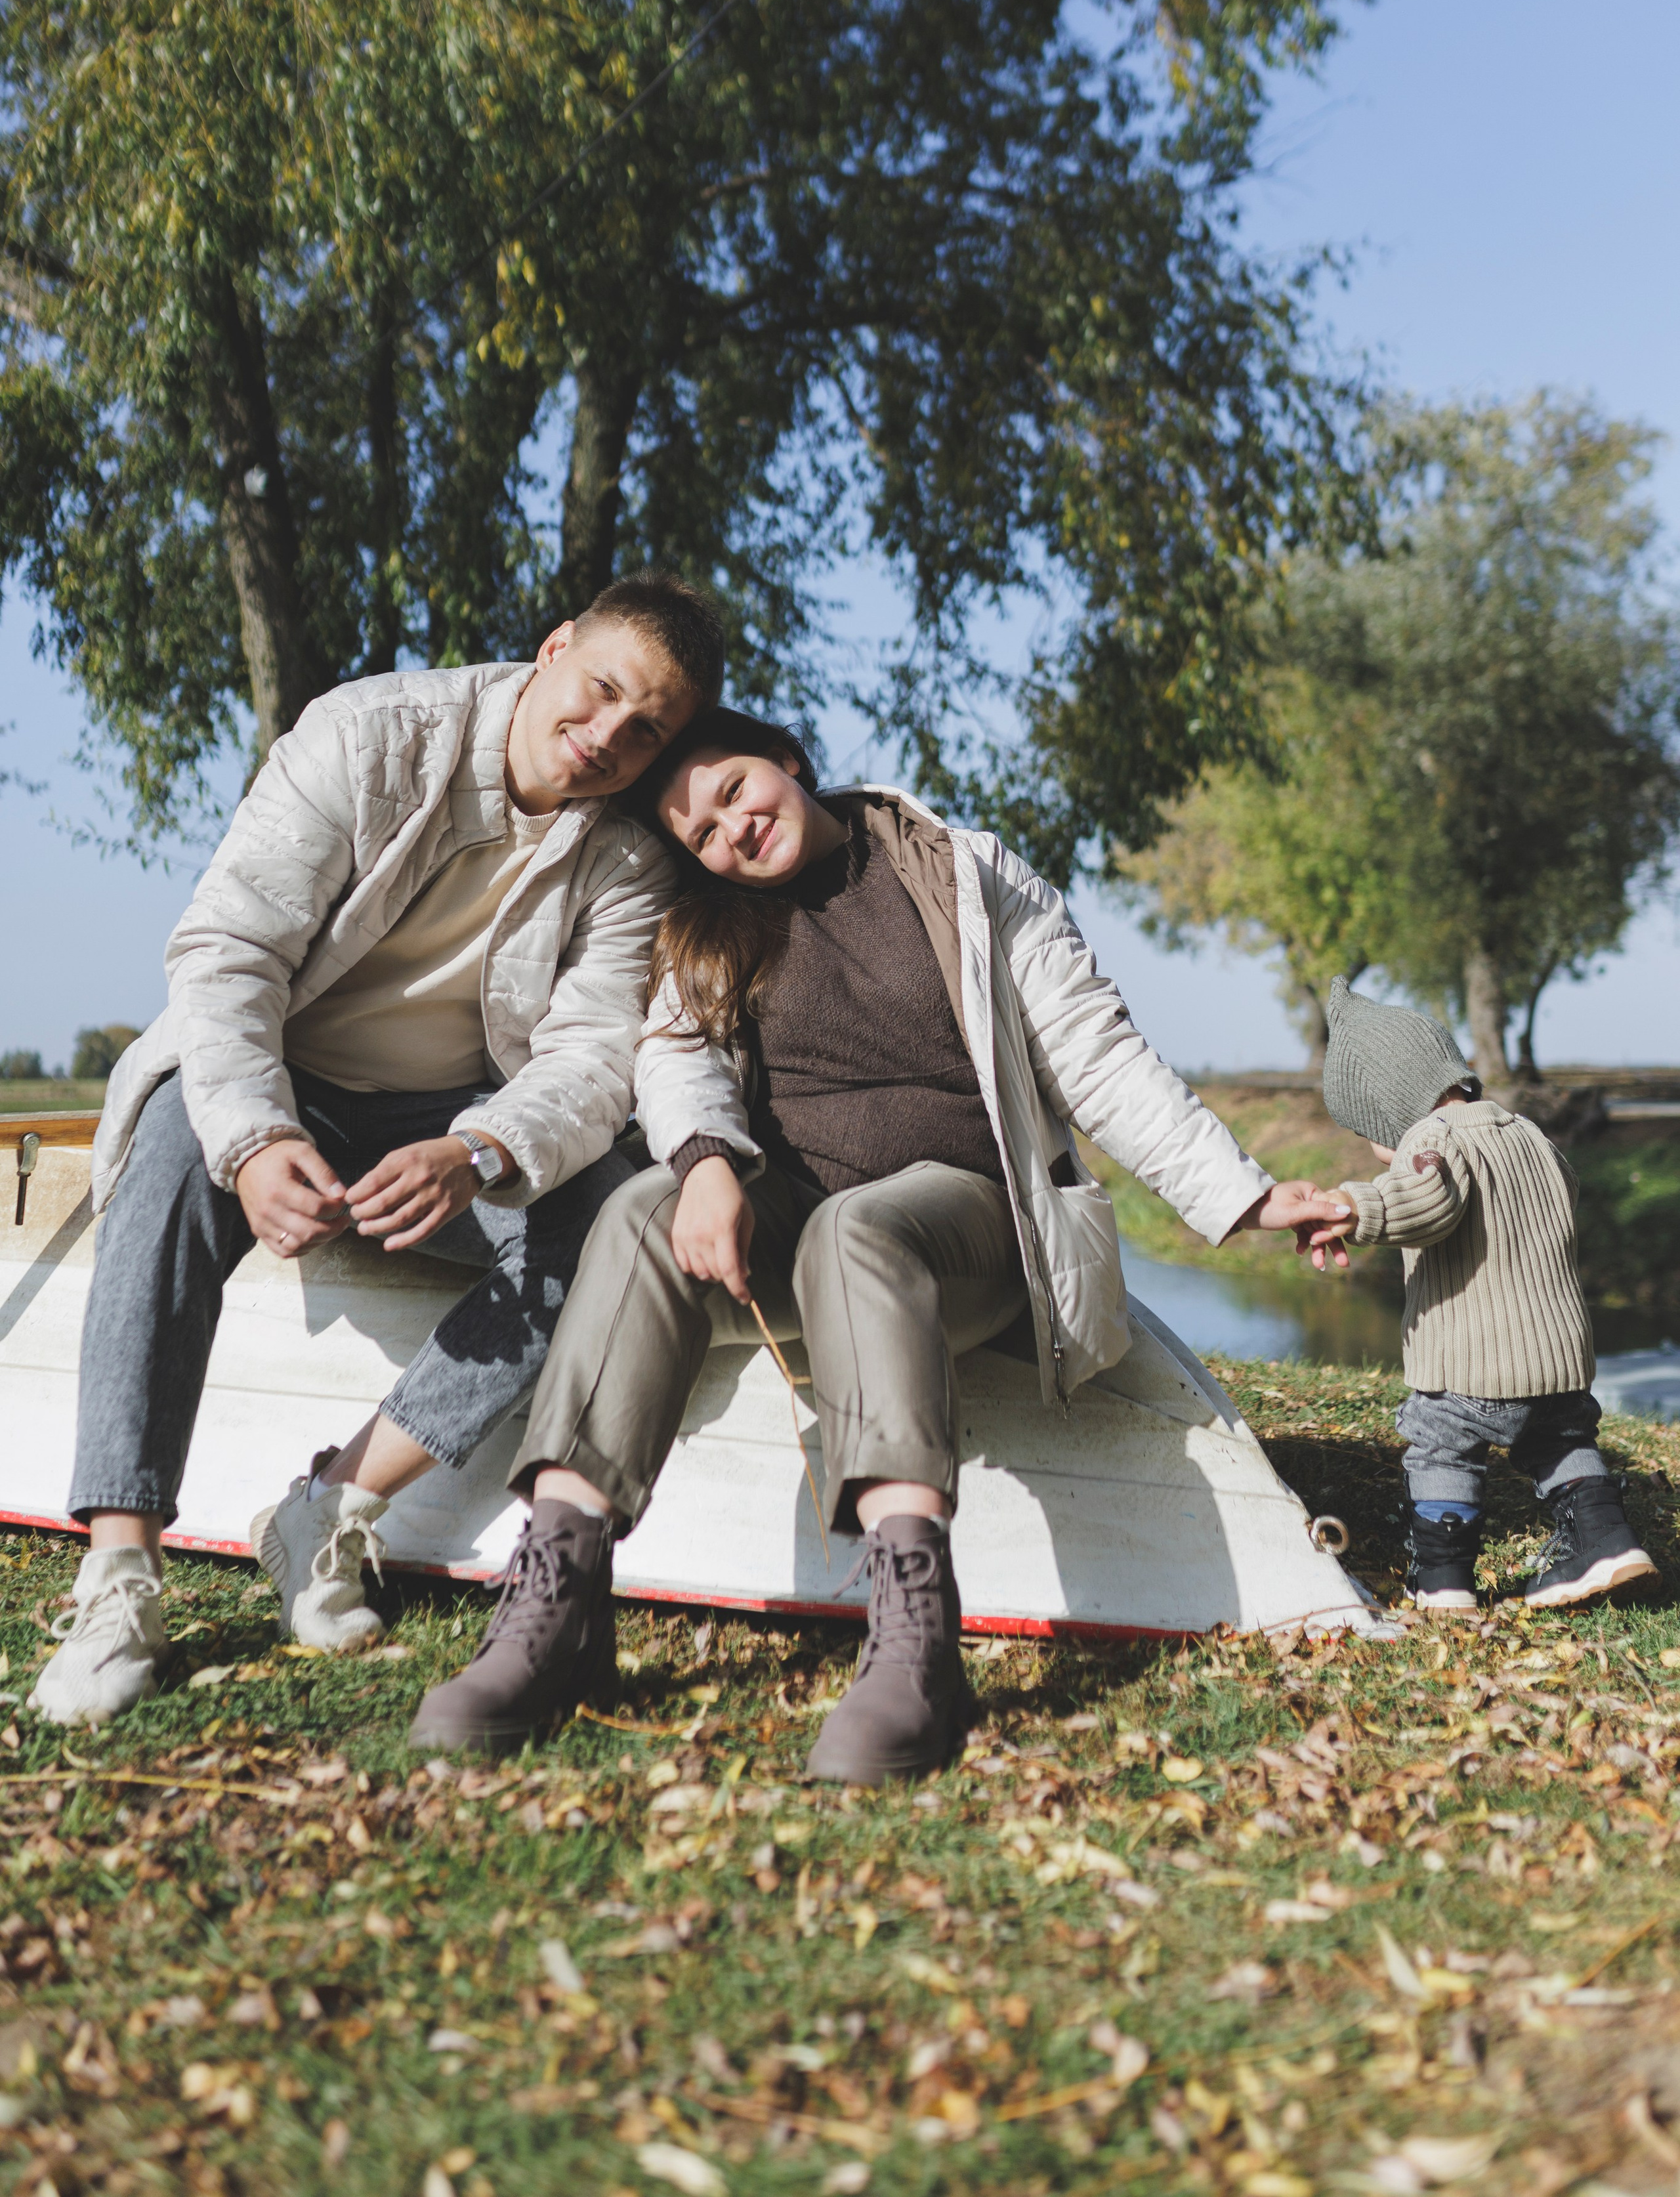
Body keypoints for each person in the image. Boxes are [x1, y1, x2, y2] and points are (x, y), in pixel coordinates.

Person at [410, 711, 1352, 1776]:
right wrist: (707, 1163)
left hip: (961, 1232)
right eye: (700, 834)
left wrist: (1248, 1198)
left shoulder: (961, 873)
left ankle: (913, 1638)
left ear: (790, 761)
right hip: (797, 1230)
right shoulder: (706, 927)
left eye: (733, 793)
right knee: (638, 1214)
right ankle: (560, 1603)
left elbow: (1101, 1059)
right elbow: (678, 1063)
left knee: (863, 1228)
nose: (728, 833)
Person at [30, 575, 726, 1730]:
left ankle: (331, 1505)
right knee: (167, 1144)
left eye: (646, 728)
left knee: (609, 1218)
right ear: (553, 647)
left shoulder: (633, 860)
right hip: (280, 1070)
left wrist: (483, 1147)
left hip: (447, 1120)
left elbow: (595, 1060)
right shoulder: (367, 733)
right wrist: (254, 1141)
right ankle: (120, 1570)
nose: (608, 737)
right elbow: (226, 952)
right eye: (600, 690)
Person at [1305, 976, 1657, 1614]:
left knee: (1440, 1444)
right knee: (1560, 1441)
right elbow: (1564, 1191)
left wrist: (1355, 1205)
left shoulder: (1430, 1141)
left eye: (1370, 1135)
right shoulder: (1526, 1131)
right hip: (1556, 1363)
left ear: (1393, 1108)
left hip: (1469, 1367)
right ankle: (1605, 1541)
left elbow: (1425, 1199)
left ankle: (1442, 1581)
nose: (1377, 1151)